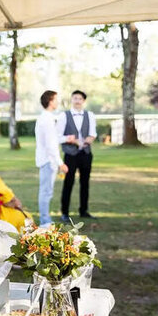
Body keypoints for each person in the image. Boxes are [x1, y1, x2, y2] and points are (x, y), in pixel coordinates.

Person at [56, 90, 97, 221]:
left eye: (80, 98)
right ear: (71, 100)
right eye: (75, 98)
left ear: (83, 101)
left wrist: (88, 140)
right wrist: (71, 140)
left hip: (85, 153)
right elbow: (57, 137)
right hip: (70, 154)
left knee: (85, 183)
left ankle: (84, 211)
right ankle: (65, 212)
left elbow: (93, 133)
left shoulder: (89, 115)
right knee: (68, 183)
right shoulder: (64, 116)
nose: (77, 100)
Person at [35, 90, 68, 227]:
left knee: (47, 191)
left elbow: (53, 140)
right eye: (56, 99)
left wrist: (67, 138)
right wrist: (61, 163)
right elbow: (50, 145)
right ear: (50, 101)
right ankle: (45, 221)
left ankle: (45, 219)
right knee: (46, 192)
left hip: (48, 159)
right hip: (48, 160)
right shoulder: (47, 119)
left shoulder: (46, 117)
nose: (58, 101)